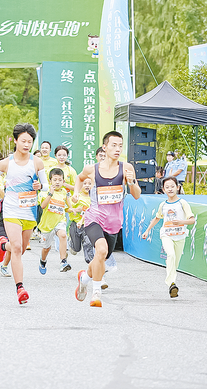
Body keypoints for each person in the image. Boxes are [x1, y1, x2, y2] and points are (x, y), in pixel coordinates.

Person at [73, 131, 141, 307]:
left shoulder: (126, 168)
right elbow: (79, 178)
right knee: (101, 250)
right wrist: (76, 193)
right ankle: (96, 293)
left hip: (114, 223)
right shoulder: (92, 169)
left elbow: (136, 195)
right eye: (114, 145)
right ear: (105, 147)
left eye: (120, 146)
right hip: (94, 218)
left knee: (101, 257)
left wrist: (131, 182)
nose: (117, 149)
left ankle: (84, 278)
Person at [0, 123, 48, 305]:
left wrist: (40, 186)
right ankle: (20, 288)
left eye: (30, 141)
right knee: (17, 247)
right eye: (23, 141)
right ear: (15, 141)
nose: (26, 144)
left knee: (19, 249)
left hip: (29, 210)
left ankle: (2, 247)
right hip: (11, 209)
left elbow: (46, 185)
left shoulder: (37, 162)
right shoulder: (6, 163)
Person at [142, 176, 196, 298]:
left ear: (177, 187)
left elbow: (192, 220)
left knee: (175, 263)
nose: (170, 189)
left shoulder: (183, 203)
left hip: (180, 236)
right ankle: (171, 283)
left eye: (172, 186)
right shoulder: (163, 205)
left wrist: (181, 222)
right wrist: (147, 230)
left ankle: (172, 283)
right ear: (163, 189)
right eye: (167, 187)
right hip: (166, 235)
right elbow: (157, 218)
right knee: (170, 254)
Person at [38, 167, 71, 274]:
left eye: (60, 180)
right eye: (55, 180)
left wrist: (74, 210)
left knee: (63, 235)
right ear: (50, 181)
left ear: (63, 181)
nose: (57, 182)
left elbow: (67, 208)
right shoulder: (45, 192)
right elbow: (43, 206)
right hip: (47, 225)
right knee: (46, 248)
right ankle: (43, 261)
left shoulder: (64, 192)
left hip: (60, 220)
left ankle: (63, 261)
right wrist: (50, 194)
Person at [67, 176, 95, 265]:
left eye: (89, 184)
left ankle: (91, 262)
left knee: (88, 244)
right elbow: (66, 209)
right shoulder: (76, 197)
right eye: (84, 183)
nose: (87, 185)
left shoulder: (94, 198)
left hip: (88, 225)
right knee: (76, 249)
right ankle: (72, 243)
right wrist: (75, 210)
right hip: (76, 225)